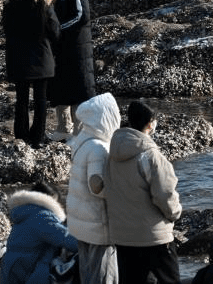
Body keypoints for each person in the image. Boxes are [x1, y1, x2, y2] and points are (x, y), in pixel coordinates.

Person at [104, 100, 182, 284]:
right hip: (154, 237)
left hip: (123, 237)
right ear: (151, 123)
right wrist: (175, 214)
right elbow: (165, 194)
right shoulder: (150, 155)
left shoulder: (112, 153)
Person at [65, 92, 121, 284]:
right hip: (98, 224)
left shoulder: (82, 140)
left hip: (81, 223)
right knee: (104, 273)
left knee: (87, 270)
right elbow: (96, 186)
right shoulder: (99, 147)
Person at [3, 0, 59, 146]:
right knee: (41, 100)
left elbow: (7, 31)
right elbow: (55, 32)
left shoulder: (11, 6)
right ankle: (38, 137)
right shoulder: (44, 6)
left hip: (19, 61)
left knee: (21, 100)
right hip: (43, 60)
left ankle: (21, 136)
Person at [47, 0, 95, 141]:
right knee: (60, 87)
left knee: (78, 90)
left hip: (77, 46)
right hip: (63, 47)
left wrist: (59, 29)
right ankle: (62, 127)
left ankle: (79, 131)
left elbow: (82, 14)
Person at [0, 181, 78, 284]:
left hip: (11, 273)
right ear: (51, 199)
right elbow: (68, 240)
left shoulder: (27, 213)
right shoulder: (41, 216)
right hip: (28, 275)